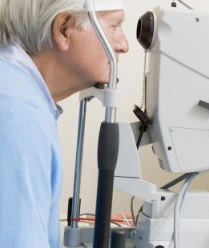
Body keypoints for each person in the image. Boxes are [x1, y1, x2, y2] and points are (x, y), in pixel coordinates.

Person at [0, 0, 129, 247]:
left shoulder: (16, 91)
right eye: (114, 26)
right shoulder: (18, 115)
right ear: (63, 29)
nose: (123, 45)